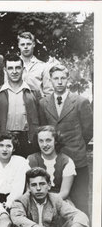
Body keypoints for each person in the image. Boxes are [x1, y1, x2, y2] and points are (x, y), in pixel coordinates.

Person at [39, 65, 93, 216]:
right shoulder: (44, 103)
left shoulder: (80, 101)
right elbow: (44, 129)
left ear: (68, 79)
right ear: (50, 81)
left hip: (76, 156)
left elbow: (88, 130)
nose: (60, 81)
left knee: (80, 197)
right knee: (56, 194)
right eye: (56, 78)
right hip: (54, 157)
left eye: (63, 78)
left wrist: (76, 143)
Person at [10, 167, 89, 227]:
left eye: (42, 184)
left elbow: (82, 216)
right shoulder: (20, 201)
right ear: (28, 187)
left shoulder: (55, 199)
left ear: (49, 185)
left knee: (75, 226)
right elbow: (19, 220)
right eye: (33, 185)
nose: (38, 188)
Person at [0, 53, 42, 158]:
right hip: (5, 140)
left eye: (17, 68)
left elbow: (40, 118)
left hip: (27, 140)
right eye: (10, 68)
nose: (14, 71)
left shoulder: (33, 92)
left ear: (23, 69)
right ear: (5, 70)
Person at [28, 125, 76, 201]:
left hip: (60, 200)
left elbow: (64, 192)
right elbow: (28, 190)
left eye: (48, 140)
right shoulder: (31, 160)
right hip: (35, 201)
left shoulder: (66, 161)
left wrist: (48, 204)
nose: (44, 145)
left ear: (56, 141)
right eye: (41, 141)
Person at [0, 133, 30, 210]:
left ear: (14, 148)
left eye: (8, 146)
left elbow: (18, 188)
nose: (4, 149)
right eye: (1, 145)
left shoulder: (21, 163)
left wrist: (9, 204)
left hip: (16, 202)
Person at [17, 32, 54, 97]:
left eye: (28, 44)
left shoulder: (42, 66)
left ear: (33, 44)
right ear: (18, 45)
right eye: (22, 44)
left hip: (37, 105)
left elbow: (49, 93)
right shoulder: (12, 65)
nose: (25, 47)